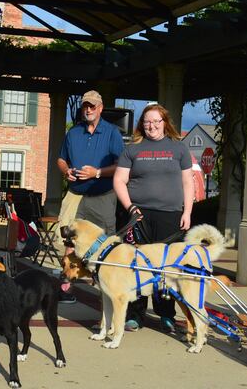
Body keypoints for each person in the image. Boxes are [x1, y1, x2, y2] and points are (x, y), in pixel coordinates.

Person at [113, 103, 194, 333]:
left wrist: (187, 211)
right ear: (142, 124)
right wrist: (130, 208)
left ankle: (166, 315)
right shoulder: (132, 149)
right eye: (147, 122)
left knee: (168, 268)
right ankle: (135, 315)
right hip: (140, 215)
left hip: (171, 216)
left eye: (156, 121)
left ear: (165, 123)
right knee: (138, 265)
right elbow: (119, 180)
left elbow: (188, 182)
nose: (152, 126)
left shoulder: (179, 149)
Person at [56, 90, 123, 304]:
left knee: (104, 245)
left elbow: (122, 166)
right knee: (68, 242)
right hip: (75, 194)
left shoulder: (112, 132)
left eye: (92, 106)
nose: (88, 109)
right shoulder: (74, 133)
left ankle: (107, 292)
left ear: (101, 108)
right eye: (85, 106)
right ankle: (66, 287)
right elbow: (60, 159)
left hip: (102, 195)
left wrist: (97, 172)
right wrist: (65, 170)